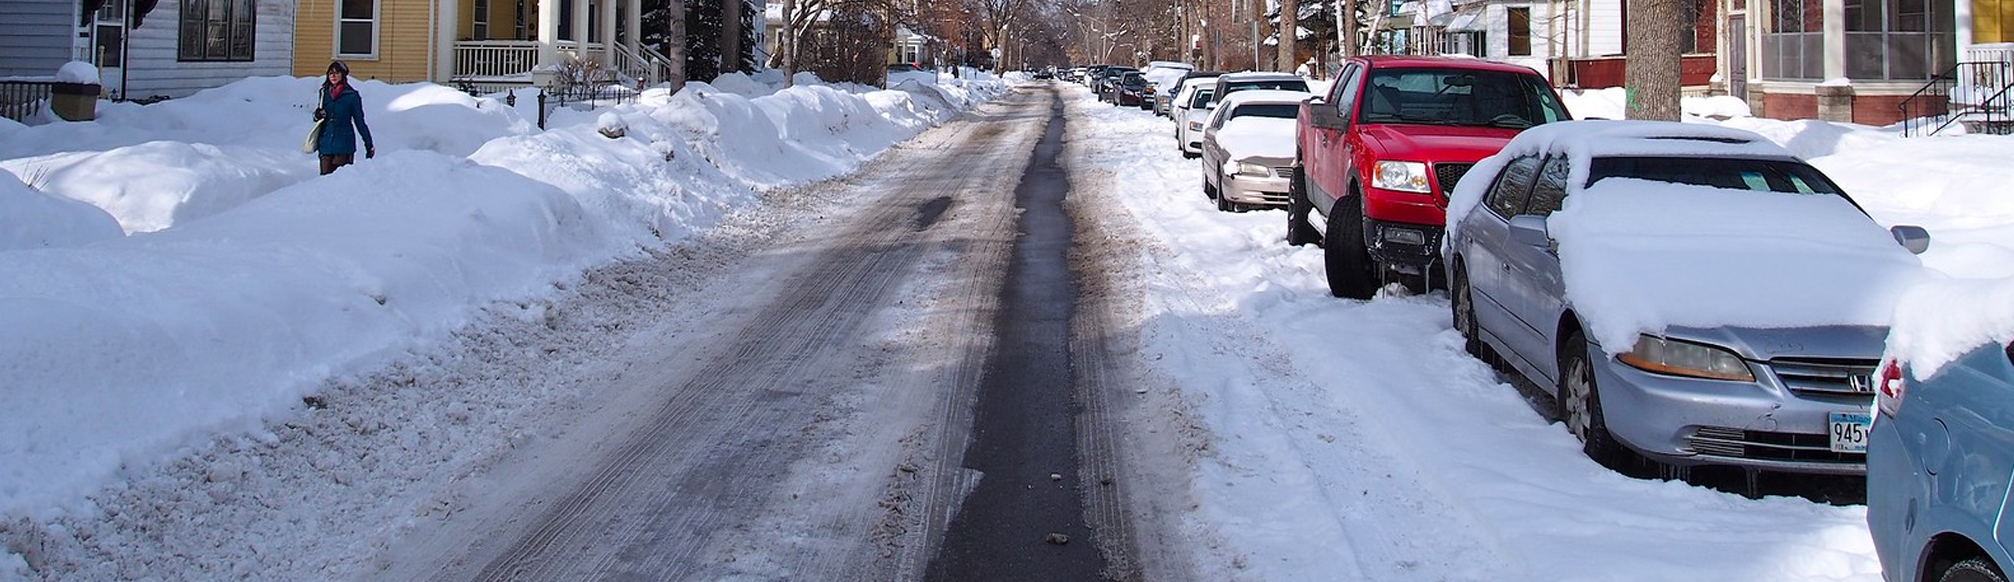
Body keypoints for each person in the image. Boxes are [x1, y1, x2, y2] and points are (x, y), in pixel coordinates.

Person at [313, 60, 374, 175]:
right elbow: (318, 118)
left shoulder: (351, 95)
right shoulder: (324, 93)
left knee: (340, 182)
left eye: (337, 73)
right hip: (326, 144)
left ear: (343, 75)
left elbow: (360, 122)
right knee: (323, 182)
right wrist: (317, 115)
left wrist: (368, 144)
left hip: (344, 145)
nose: (333, 76)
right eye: (331, 73)